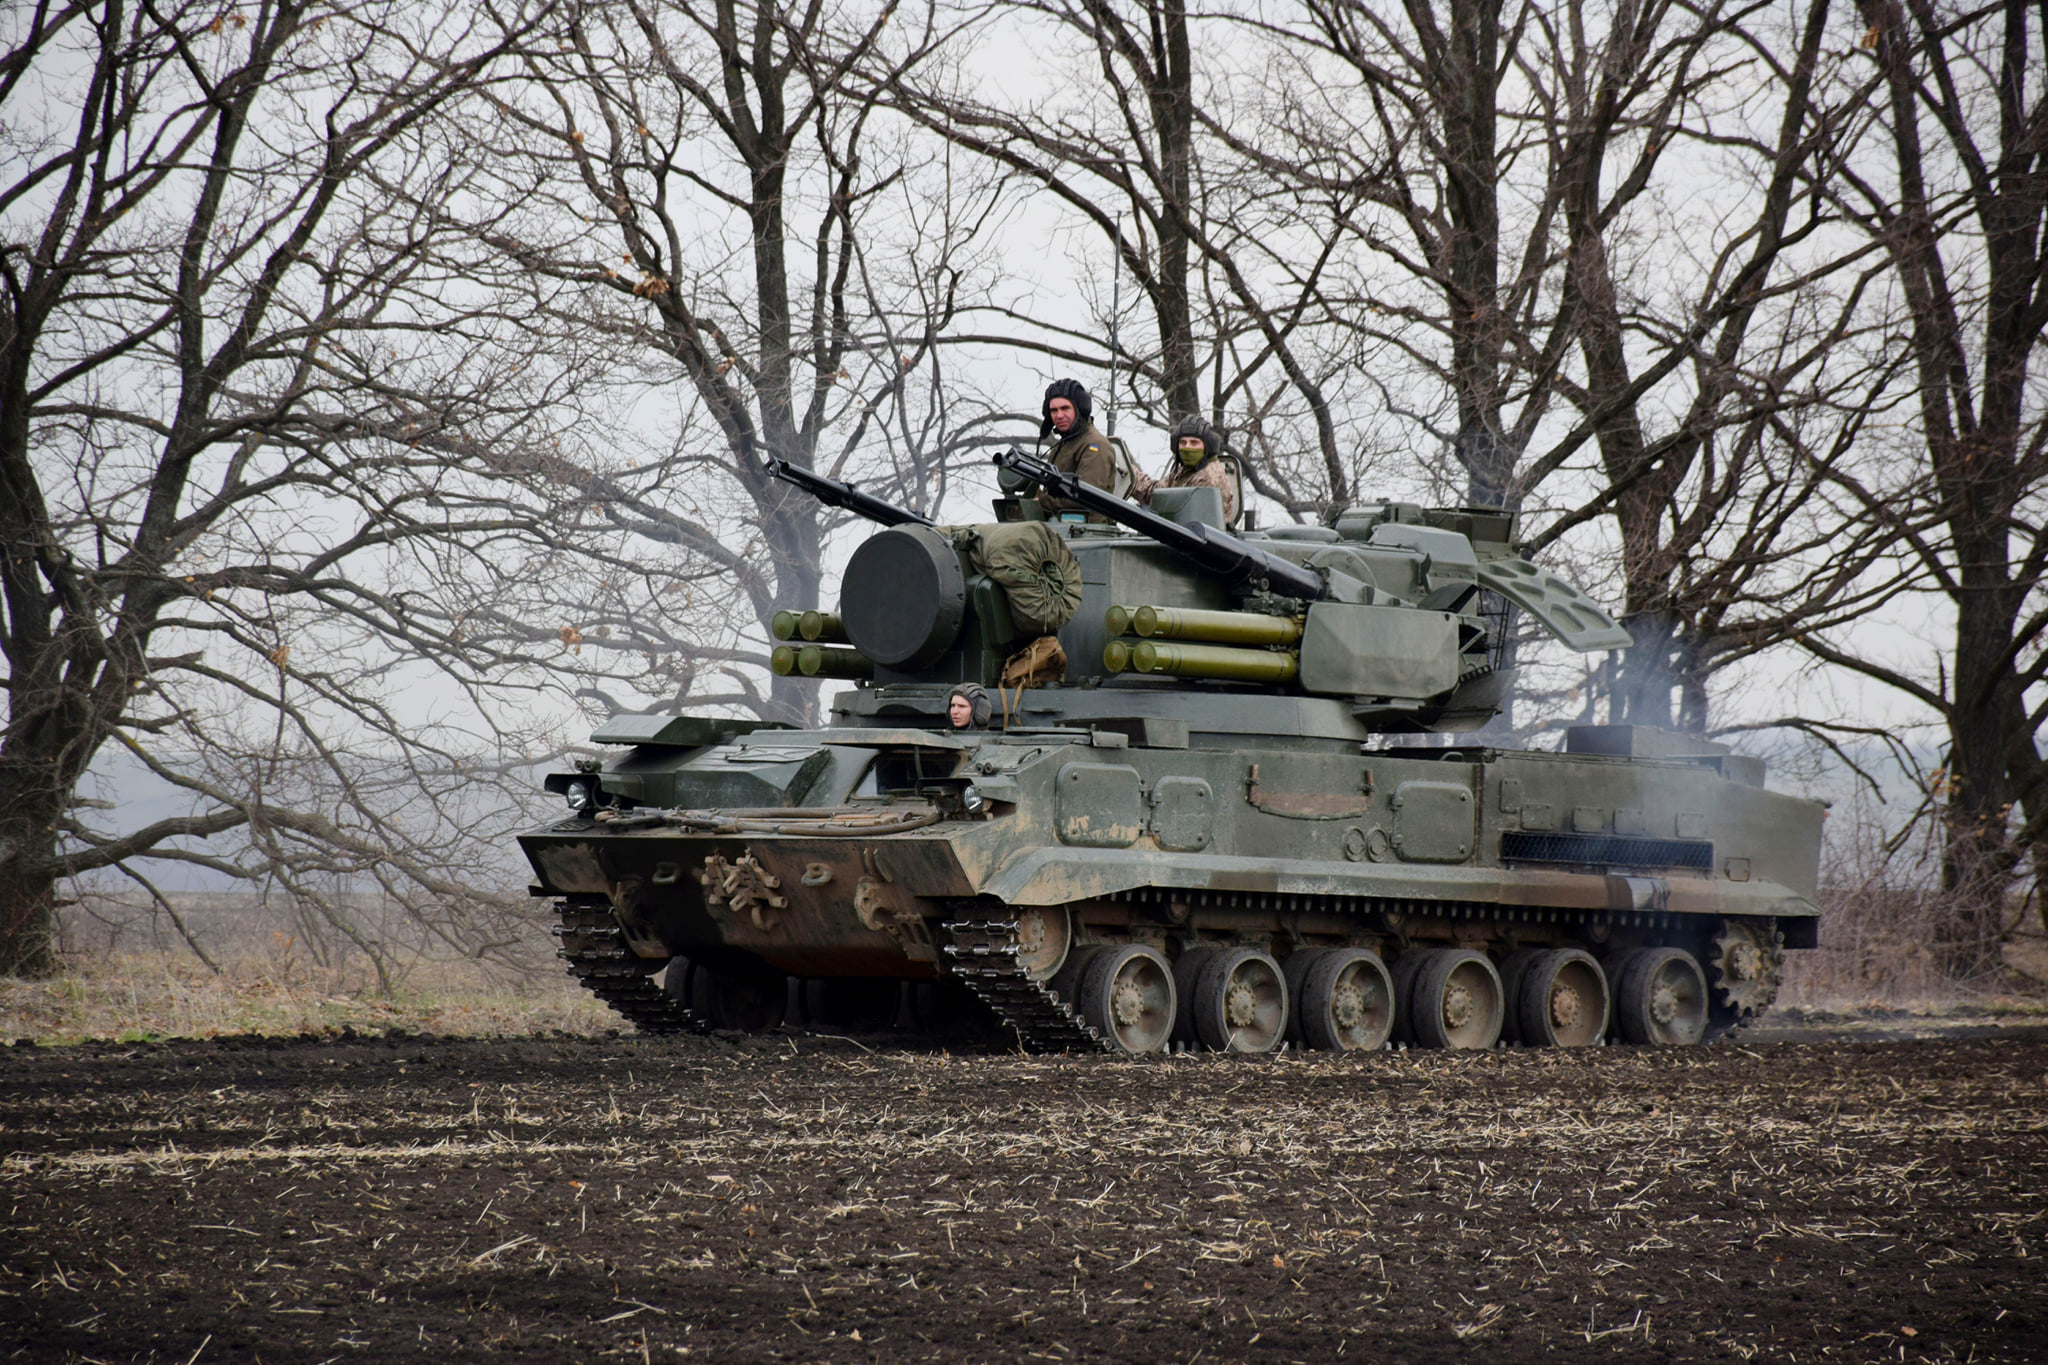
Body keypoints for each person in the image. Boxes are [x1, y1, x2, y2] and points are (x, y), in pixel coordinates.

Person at [1132, 416, 1240, 526]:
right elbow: (1154, 494)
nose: (1187, 447)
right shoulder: (1186, 470)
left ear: (1207, 446)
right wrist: (1130, 475)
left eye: (1194, 443)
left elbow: (1181, 517)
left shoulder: (1208, 477)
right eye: (1183, 443)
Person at [1035, 378, 1117, 521]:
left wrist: (1041, 501)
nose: (1059, 415)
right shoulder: (1064, 444)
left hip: (1087, 533)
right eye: (1053, 410)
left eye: (1065, 408)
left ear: (1080, 409)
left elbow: (1084, 497)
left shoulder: (1094, 445)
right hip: (1060, 526)